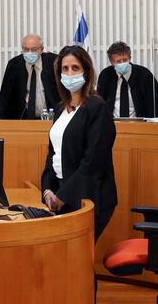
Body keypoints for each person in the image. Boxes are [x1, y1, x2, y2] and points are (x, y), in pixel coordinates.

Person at [41, 45, 117, 244]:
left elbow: (93, 160)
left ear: (86, 72)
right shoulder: (60, 109)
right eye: (65, 69)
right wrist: (48, 190)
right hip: (60, 193)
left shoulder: (97, 107)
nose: (69, 73)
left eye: (75, 68)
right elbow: (52, 154)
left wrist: (63, 196)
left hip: (87, 196)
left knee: (75, 262)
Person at [0, 34, 61, 119]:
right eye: (26, 49)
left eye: (34, 49)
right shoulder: (14, 64)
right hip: (23, 118)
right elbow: (5, 93)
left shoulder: (53, 62)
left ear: (41, 49)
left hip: (51, 117)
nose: (29, 52)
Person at [96, 41, 158, 119]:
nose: (122, 63)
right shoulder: (106, 75)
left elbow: (156, 106)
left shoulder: (144, 75)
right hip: (112, 125)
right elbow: (100, 104)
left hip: (139, 125)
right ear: (112, 62)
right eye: (118, 61)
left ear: (130, 58)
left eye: (125, 60)